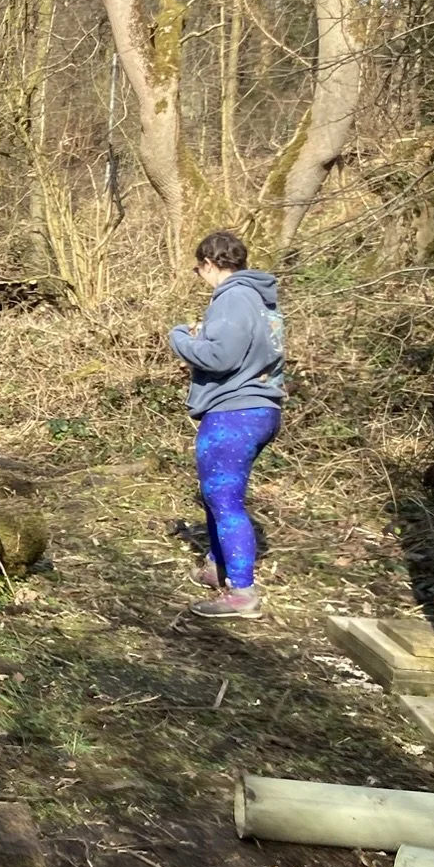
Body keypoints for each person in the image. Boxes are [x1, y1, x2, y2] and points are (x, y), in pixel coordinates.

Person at [169, 229, 285, 619]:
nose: (201, 278)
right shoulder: (259, 300)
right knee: (218, 494)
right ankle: (219, 566)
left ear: (209, 264)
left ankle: (242, 593)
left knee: (223, 499)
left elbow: (219, 357)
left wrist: (181, 338)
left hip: (234, 412)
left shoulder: (233, 297)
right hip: (259, 410)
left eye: (199, 270)